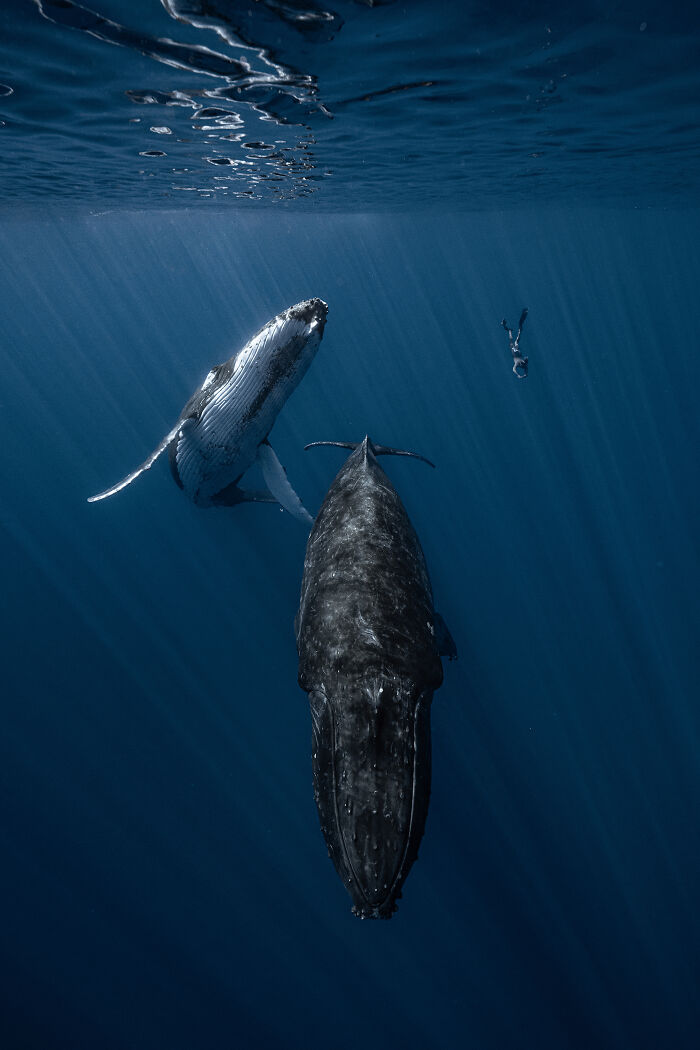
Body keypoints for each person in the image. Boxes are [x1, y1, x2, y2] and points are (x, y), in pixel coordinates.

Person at [501, 307, 528, 378]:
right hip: (516, 347)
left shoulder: (517, 363)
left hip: (513, 348)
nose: (523, 361)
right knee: (518, 336)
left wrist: (518, 375)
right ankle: (518, 327)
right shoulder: (525, 365)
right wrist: (524, 375)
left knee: (510, 334)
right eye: (524, 362)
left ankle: (504, 325)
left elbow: (513, 369)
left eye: (523, 362)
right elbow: (526, 372)